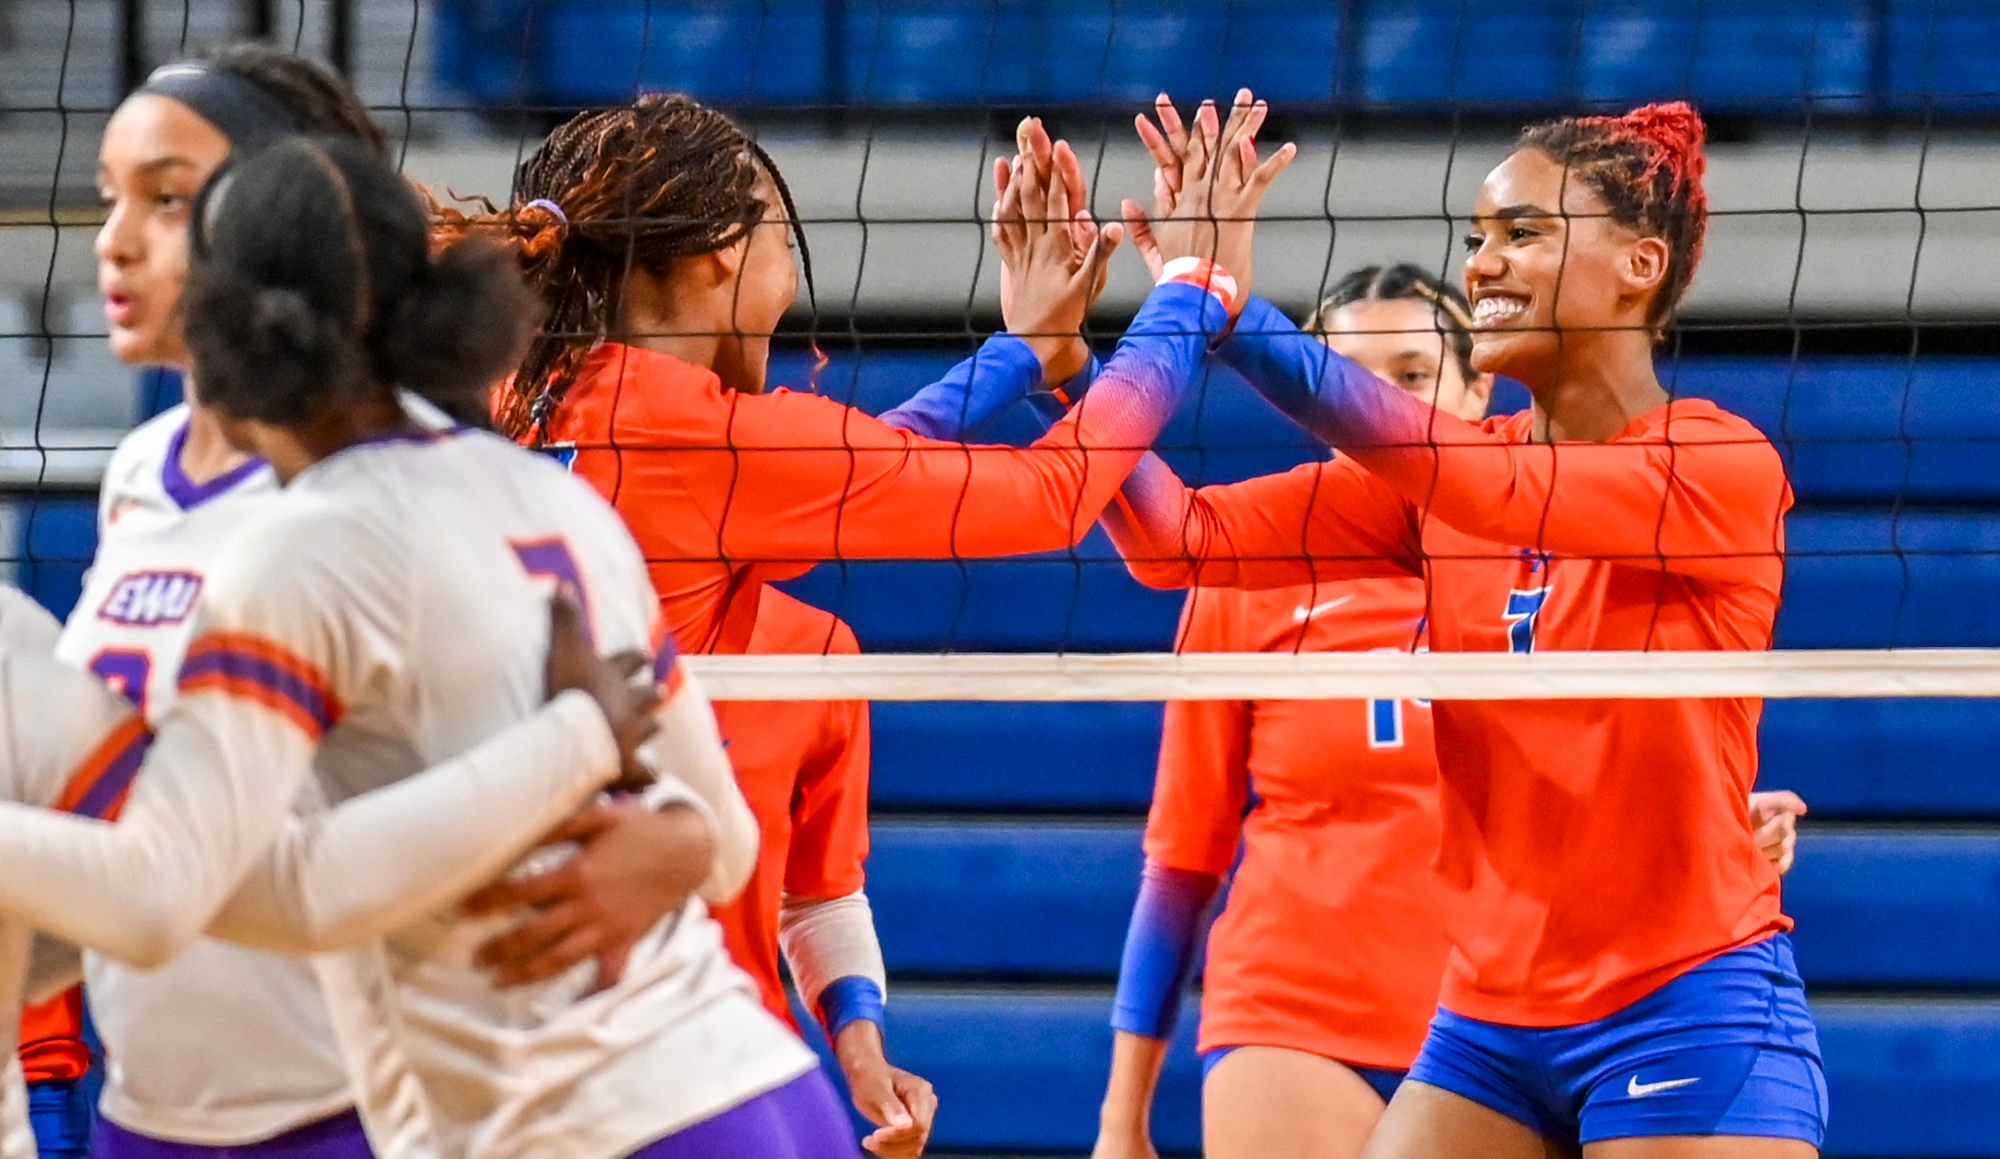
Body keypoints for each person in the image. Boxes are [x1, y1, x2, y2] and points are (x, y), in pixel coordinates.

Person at [432, 92, 1290, 1155]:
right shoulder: (704, 439)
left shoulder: (524, 396)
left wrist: (1022, 354)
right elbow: (1050, 498)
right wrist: (1192, 289)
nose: (790, 278)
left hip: (472, 992)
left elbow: (836, 467)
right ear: (717, 257)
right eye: (782, 241)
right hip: (652, 1017)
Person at [0, 133, 840, 1158]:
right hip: (761, 1089)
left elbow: (196, 891)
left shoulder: (299, 553)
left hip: (582, 1130)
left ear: (226, 327)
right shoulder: (549, 495)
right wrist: (610, 779)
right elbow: (728, 848)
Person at [1101, 98, 1826, 1156]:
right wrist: (1067, 360)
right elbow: (1174, 538)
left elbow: (1482, 484)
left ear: (1637, 263)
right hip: (1488, 1021)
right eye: (1475, 238)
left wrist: (1232, 306)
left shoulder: (1713, 465)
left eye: (1520, 232)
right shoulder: (1444, 486)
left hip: (1681, 998)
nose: (1482, 263)